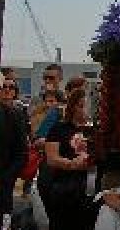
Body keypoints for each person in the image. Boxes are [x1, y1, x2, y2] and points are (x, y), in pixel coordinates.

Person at [39, 90, 92, 230]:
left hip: (89, 188)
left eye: (87, 106)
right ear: (73, 107)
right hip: (64, 187)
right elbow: (51, 158)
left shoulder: (94, 131)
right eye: (81, 106)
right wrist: (71, 164)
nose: (85, 110)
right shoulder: (59, 129)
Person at [0, 84, 29, 229]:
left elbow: (22, 152)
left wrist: (7, 177)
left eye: (10, 87)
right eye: (2, 87)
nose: (6, 90)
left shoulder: (15, 115)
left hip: (3, 184)